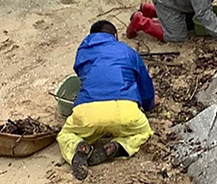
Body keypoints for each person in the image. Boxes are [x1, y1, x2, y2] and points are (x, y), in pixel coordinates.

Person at [56, 20, 156, 181]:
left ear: (91, 36)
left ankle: (78, 148)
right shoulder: (128, 51)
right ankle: (119, 146)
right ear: (115, 36)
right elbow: (145, 85)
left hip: (88, 111)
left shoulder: (83, 51)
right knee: (142, 132)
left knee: (66, 134)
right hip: (125, 109)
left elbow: (85, 76)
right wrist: (149, 105)